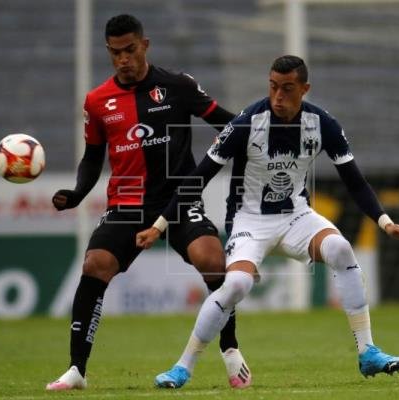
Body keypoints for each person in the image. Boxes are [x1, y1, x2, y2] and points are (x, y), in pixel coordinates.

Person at [136, 55, 399, 389]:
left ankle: (368, 352)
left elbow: (355, 182)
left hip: (297, 217)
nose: (278, 97)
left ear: (305, 89)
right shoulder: (246, 123)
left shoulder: (322, 124)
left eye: (287, 89)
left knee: (341, 249)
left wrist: (385, 222)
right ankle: (182, 367)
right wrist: (159, 225)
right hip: (249, 220)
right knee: (237, 286)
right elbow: (198, 179)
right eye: (273, 87)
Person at [45, 14, 251, 391]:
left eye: (130, 50)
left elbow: (227, 123)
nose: (123, 59)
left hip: (178, 197)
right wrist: (77, 193)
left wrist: (255, 136)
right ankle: (77, 370)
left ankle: (231, 350)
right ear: (108, 51)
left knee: (212, 260)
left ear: (145, 45)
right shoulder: (96, 101)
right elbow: (93, 158)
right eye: (115, 52)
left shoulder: (177, 86)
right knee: (95, 265)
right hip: (127, 203)